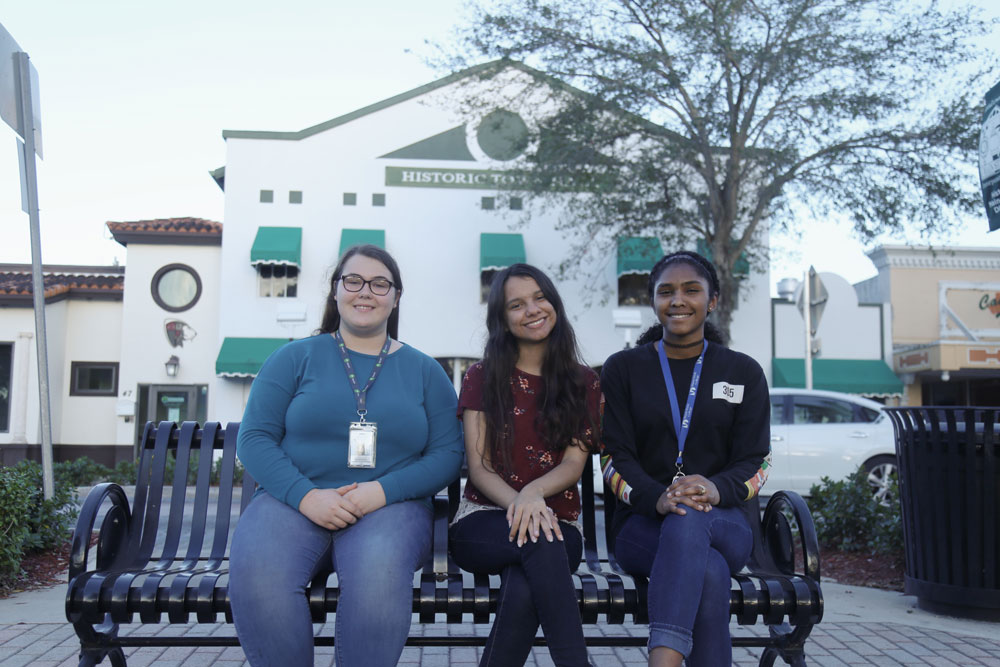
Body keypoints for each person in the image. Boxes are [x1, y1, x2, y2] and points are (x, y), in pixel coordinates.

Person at [229, 244, 465, 667]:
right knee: (260, 580)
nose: (365, 292)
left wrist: (382, 490)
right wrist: (306, 496)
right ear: (335, 291)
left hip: (392, 507)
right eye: (353, 281)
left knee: (376, 580)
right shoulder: (292, 358)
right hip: (294, 501)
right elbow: (255, 438)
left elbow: (448, 453)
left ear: (396, 296)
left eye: (380, 283)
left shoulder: (426, 371)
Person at [600, 250, 771, 667]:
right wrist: (658, 497)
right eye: (666, 291)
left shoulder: (742, 371)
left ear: (712, 301)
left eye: (691, 290)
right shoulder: (623, 369)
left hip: (726, 521)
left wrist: (713, 488)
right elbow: (612, 456)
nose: (678, 300)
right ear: (653, 301)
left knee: (691, 516)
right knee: (708, 570)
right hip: (642, 526)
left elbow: (757, 460)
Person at [449, 263, 600, 667]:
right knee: (539, 542)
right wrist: (522, 503)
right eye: (516, 305)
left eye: (539, 297)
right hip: (483, 519)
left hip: (558, 523)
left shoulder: (581, 381)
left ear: (554, 303)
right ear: (502, 319)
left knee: (527, 577)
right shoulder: (482, 376)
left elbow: (573, 463)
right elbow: (479, 468)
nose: (532, 310)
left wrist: (534, 493)